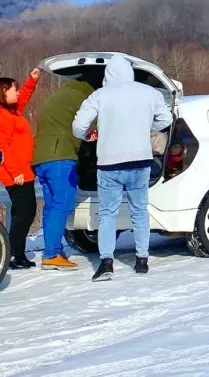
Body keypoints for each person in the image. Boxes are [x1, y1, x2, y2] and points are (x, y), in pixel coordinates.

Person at [72, 55, 172, 282]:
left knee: (107, 213)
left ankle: (106, 261)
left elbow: (78, 126)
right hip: (140, 160)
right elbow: (165, 120)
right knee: (139, 211)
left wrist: (88, 135)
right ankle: (142, 260)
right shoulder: (149, 93)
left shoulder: (100, 95)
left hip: (109, 163)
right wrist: (146, 129)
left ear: (108, 75)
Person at [31, 74, 102, 270]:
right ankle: (52, 254)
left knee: (51, 206)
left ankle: (52, 249)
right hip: (59, 156)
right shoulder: (85, 99)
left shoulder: (60, 96)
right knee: (62, 204)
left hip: (41, 157)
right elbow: (88, 125)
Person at [0, 68, 42, 269]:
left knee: (22, 212)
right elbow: (2, 148)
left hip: (22, 171)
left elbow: (23, 97)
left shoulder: (12, 111)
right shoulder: (2, 116)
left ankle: (16, 252)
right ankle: (13, 254)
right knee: (25, 212)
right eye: (13, 89)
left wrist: (31, 81)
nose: (17, 93)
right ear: (3, 92)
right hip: (15, 174)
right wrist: (15, 171)